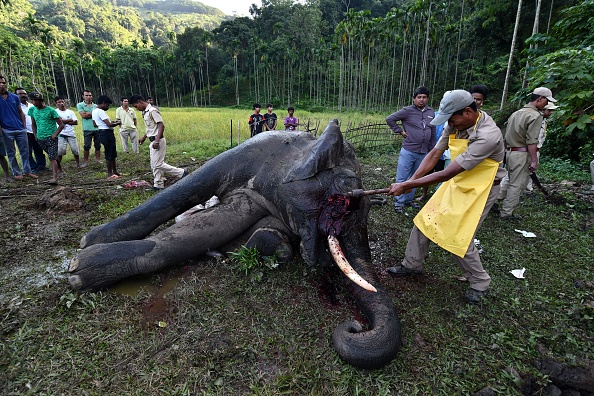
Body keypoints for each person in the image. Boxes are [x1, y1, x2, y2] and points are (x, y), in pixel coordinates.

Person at [386, 90, 506, 304]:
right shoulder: (454, 124)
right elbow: (434, 154)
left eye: (452, 119)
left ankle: (479, 282)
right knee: (424, 220)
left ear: (468, 112)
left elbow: (449, 171)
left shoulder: (488, 135)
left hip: (482, 187)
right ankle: (411, 264)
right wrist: (410, 182)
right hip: (458, 182)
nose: (450, 124)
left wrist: (407, 184)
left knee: (460, 235)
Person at [498, 87, 556, 220]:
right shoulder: (535, 116)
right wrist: (534, 160)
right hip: (522, 154)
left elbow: (506, 135)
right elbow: (532, 141)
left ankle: (493, 202)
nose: (547, 105)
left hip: (510, 152)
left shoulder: (516, 113)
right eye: (546, 101)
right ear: (540, 99)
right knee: (517, 185)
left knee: (509, 179)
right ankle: (507, 213)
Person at [386, 86, 436, 213]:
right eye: (419, 97)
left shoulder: (431, 112)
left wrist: (432, 149)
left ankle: (409, 200)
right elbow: (390, 119)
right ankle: (399, 202)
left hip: (423, 151)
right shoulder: (407, 111)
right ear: (414, 99)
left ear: (428, 99)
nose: (421, 100)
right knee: (402, 177)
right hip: (409, 149)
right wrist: (399, 131)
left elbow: (433, 129)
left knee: (416, 177)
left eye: (424, 97)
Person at [129, 94, 187, 191]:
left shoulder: (152, 111)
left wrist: (157, 140)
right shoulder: (145, 112)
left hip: (158, 140)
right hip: (152, 140)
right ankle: (158, 185)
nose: (136, 108)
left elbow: (161, 125)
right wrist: (144, 137)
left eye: (136, 106)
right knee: (154, 164)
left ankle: (181, 173)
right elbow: (150, 127)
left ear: (140, 102)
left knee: (158, 164)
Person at [0, 75, 36, 180]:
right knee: (11, 153)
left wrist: (24, 127)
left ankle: (27, 171)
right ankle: (16, 173)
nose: (2, 85)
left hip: (20, 128)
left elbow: (21, 112)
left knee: (25, 151)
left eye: (3, 82)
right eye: (0, 83)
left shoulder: (14, 97)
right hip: (6, 130)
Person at [28, 92, 64, 185]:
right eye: (32, 100)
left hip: (51, 137)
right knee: (53, 156)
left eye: (36, 100)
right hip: (40, 138)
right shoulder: (32, 110)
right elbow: (33, 123)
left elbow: (61, 125)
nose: (34, 102)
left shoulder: (51, 110)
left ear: (41, 101)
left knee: (52, 157)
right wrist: (35, 135)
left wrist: (55, 135)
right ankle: (60, 170)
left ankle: (54, 177)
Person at [16, 87, 47, 173]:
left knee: (38, 149)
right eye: (20, 94)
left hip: (35, 131)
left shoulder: (32, 105)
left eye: (24, 94)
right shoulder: (16, 106)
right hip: (24, 132)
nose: (23, 95)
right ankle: (33, 167)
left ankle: (41, 166)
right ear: (16, 95)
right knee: (27, 151)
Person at [92, 95, 121, 179]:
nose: (108, 107)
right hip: (107, 133)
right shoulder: (100, 111)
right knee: (109, 153)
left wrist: (108, 123)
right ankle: (110, 173)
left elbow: (95, 124)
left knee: (111, 152)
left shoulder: (94, 111)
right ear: (103, 103)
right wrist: (118, 122)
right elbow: (109, 124)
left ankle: (114, 171)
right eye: (107, 105)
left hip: (102, 132)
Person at [55, 97, 81, 169]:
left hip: (70, 133)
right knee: (60, 151)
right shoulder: (55, 112)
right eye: (59, 102)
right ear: (56, 104)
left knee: (75, 149)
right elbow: (59, 121)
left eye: (62, 102)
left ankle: (78, 164)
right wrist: (69, 120)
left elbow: (75, 122)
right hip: (60, 134)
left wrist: (63, 120)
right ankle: (58, 166)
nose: (61, 104)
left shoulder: (70, 112)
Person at [77, 90, 101, 167]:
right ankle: (86, 161)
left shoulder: (96, 106)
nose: (88, 97)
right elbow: (83, 115)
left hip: (97, 128)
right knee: (87, 146)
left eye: (90, 95)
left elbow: (98, 115)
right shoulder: (80, 105)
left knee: (98, 145)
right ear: (83, 96)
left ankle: (98, 160)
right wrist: (93, 114)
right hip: (87, 128)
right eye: (86, 95)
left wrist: (88, 113)